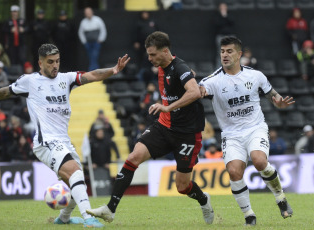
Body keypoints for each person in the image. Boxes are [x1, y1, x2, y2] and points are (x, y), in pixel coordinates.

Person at [0, 43, 130, 228]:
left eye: (57, 61)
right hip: (45, 142)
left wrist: (113, 69)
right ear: (40, 63)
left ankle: (63, 219)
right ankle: (88, 220)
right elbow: (6, 91)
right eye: (50, 62)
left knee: (77, 182)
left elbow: (92, 75)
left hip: (63, 141)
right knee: (76, 173)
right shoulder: (30, 81)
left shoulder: (67, 79)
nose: (55, 65)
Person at [86, 31, 214, 225]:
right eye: (148, 54)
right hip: (164, 126)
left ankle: (204, 200)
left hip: (187, 134)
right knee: (133, 157)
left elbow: (195, 92)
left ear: (165, 51)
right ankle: (110, 209)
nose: (149, 58)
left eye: (153, 54)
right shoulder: (161, 66)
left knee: (182, 186)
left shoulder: (180, 67)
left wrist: (168, 107)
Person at [199, 36, 294, 226]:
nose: (225, 55)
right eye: (222, 51)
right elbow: (198, 90)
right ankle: (249, 215)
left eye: (229, 51)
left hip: (255, 128)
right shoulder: (212, 81)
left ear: (239, 54)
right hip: (231, 134)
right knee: (234, 172)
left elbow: (273, 95)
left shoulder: (255, 75)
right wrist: (195, 89)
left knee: (259, 160)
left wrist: (279, 102)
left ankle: (280, 197)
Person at [214, 3, 235, 68]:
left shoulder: (230, 15)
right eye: (221, 7)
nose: (223, 9)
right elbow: (217, 24)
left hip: (230, 36)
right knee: (220, 53)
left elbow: (232, 22)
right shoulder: (217, 16)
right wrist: (223, 17)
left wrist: (225, 16)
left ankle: (232, 69)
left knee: (231, 53)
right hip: (221, 37)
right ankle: (219, 69)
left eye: (224, 7)